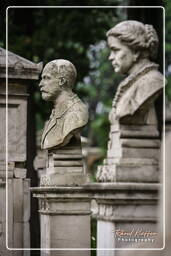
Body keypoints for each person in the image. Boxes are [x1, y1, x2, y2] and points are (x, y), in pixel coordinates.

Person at [106, 20, 163, 125]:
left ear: (136, 51)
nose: (110, 57)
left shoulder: (152, 81)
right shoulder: (131, 83)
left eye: (115, 50)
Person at [39, 59, 88, 150]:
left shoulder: (77, 113)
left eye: (46, 78)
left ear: (62, 81)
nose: (40, 84)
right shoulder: (55, 113)